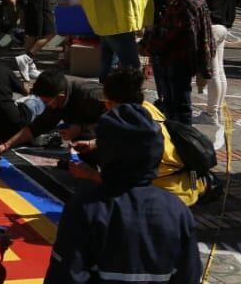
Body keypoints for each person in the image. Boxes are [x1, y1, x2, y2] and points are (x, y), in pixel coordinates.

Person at [36, 104, 202, 284]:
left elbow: (65, 283)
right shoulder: (176, 209)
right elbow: (185, 282)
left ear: (107, 153)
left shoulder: (86, 207)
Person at [83, 68, 211, 207]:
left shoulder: (130, 129)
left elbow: (121, 182)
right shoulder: (147, 109)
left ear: (110, 103)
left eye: (106, 100)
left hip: (167, 199)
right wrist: (93, 144)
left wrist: (89, 174)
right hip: (186, 186)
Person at [140, 0, 213, 124]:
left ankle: (182, 137)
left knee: (178, 104)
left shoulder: (183, 7)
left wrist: (148, 47)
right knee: (176, 103)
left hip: (176, 61)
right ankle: (179, 132)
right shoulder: (197, 2)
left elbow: (169, 35)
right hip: (180, 61)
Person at [0, 69, 106, 160]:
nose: (46, 106)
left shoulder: (93, 96)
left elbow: (119, 122)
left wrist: (82, 129)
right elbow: (36, 127)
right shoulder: (57, 100)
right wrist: (6, 145)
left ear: (60, 96)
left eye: (46, 102)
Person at [192, 0, 236, 125]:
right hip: (223, 26)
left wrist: (210, 10)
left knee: (214, 72)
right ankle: (215, 110)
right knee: (220, 71)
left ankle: (212, 113)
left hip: (212, 26)